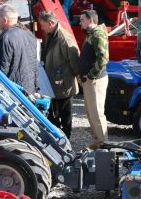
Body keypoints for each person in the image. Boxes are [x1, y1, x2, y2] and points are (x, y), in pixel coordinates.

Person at [38, 11, 80, 138]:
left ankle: (66, 139)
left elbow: (74, 61)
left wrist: (75, 76)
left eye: (43, 25)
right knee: (52, 113)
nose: (42, 28)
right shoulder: (50, 35)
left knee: (65, 114)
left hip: (64, 84)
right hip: (52, 83)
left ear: (51, 23)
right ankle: (56, 137)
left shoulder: (64, 38)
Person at [78, 9, 109, 149]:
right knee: (91, 113)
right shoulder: (92, 34)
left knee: (96, 113)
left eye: (82, 20)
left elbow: (103, 58)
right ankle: (98, 141)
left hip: (95, 81)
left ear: (91, 20)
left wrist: (91, 76)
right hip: (90, 80)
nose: (80, 23)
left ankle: (103, 144)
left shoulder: (98, 34)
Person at [0, 4, 38, 94]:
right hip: (29, 88)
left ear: (5, 20)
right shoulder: (29, 34)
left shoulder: (5, 38)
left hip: (13, 92)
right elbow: (34, 63)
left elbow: (1, 69)